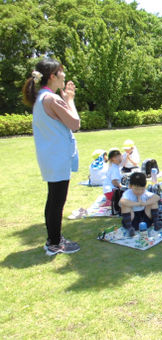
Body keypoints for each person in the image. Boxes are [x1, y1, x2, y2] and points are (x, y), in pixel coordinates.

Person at [23, 58, 81, 256]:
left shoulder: (43, 97)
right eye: (61, 72)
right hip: (56, 158)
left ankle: (53, 239)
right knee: (57, 201)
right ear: (53, 76)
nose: (64, 75)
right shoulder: (51, 99)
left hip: (50, 157)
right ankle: (54, 244)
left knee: (54, 199)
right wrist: (70, 100)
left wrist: (65, 99)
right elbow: (74, 123)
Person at [119, 172, 162, 237]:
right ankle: (130, 228)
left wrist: (145, 203)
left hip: (145, 218)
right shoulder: (128, 193)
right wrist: (137, 204)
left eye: (142, 189)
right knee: (125, 206)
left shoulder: (145, 193)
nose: (139, 191)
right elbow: (122, 201)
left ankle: (156, 222)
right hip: (133, 219)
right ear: (130, 186)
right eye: (136, 189)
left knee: (153, 202)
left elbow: (157, 197)